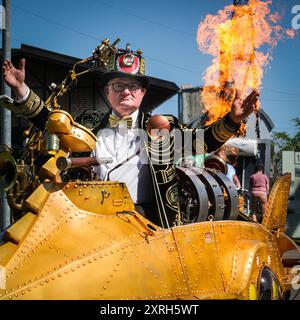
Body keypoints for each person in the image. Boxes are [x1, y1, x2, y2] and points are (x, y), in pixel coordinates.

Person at [2, 44, 259, 227]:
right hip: (91, 218)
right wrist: (22, 89)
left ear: (143, 93)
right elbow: (51, 123)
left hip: (146, 220)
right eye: (118, 86)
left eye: (133, 86)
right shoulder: (89, 122)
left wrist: (232, 120)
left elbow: (202, 141)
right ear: (107, 91)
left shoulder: (161, 126)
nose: (126, 92)